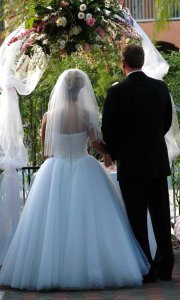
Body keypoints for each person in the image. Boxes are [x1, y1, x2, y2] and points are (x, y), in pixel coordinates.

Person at [0, 69, 149, 290]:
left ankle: (52, 268)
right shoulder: (86, 114)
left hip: (55, 168)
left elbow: (45, 152)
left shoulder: (48, 117)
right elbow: (98, 145)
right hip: (85, 165)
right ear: (81, 90)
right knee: (91, 218)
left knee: (53, 220)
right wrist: (110, 150)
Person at [102, 44, 174, 282]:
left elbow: (109, 129)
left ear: (123, 63)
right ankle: (165, 267)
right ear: (141, 61)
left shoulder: (116, 92)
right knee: (161, 216)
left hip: (131, 164)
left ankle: (145, 268)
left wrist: (113, 151)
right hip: (156, 161)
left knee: (137, 218)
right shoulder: (160, 88)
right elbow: (165, 122)